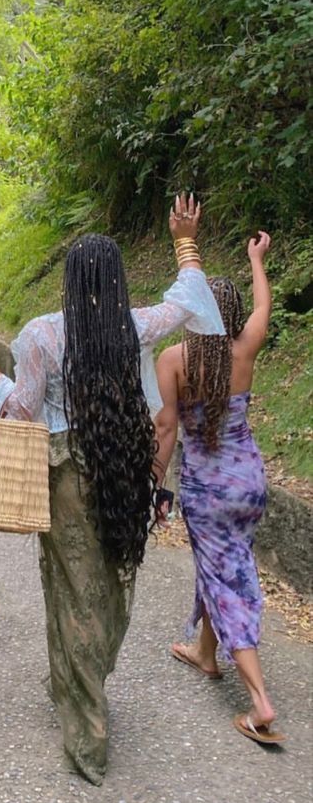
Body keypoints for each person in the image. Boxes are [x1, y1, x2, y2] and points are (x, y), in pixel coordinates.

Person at [0, 194, 224, 784]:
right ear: (119, 279)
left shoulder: (42, 335)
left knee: (71, 591)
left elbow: (23, 409)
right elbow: (186, 301)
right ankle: (81, 676)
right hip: (125, 468)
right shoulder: (134, 327)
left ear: (71, 282)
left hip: (66, 476)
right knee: (111, 581)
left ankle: (87, 734)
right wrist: (185, 241)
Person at [154, 230, 285, 744]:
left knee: (227, 579)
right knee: (226, 565)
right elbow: (263, 303)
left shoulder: (174, 361)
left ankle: (259, 702)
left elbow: (166, 429)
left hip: (207, 490)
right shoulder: (246, 347)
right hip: (249, 483)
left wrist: (155, 486)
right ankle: (205, 654)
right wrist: (257, 258)